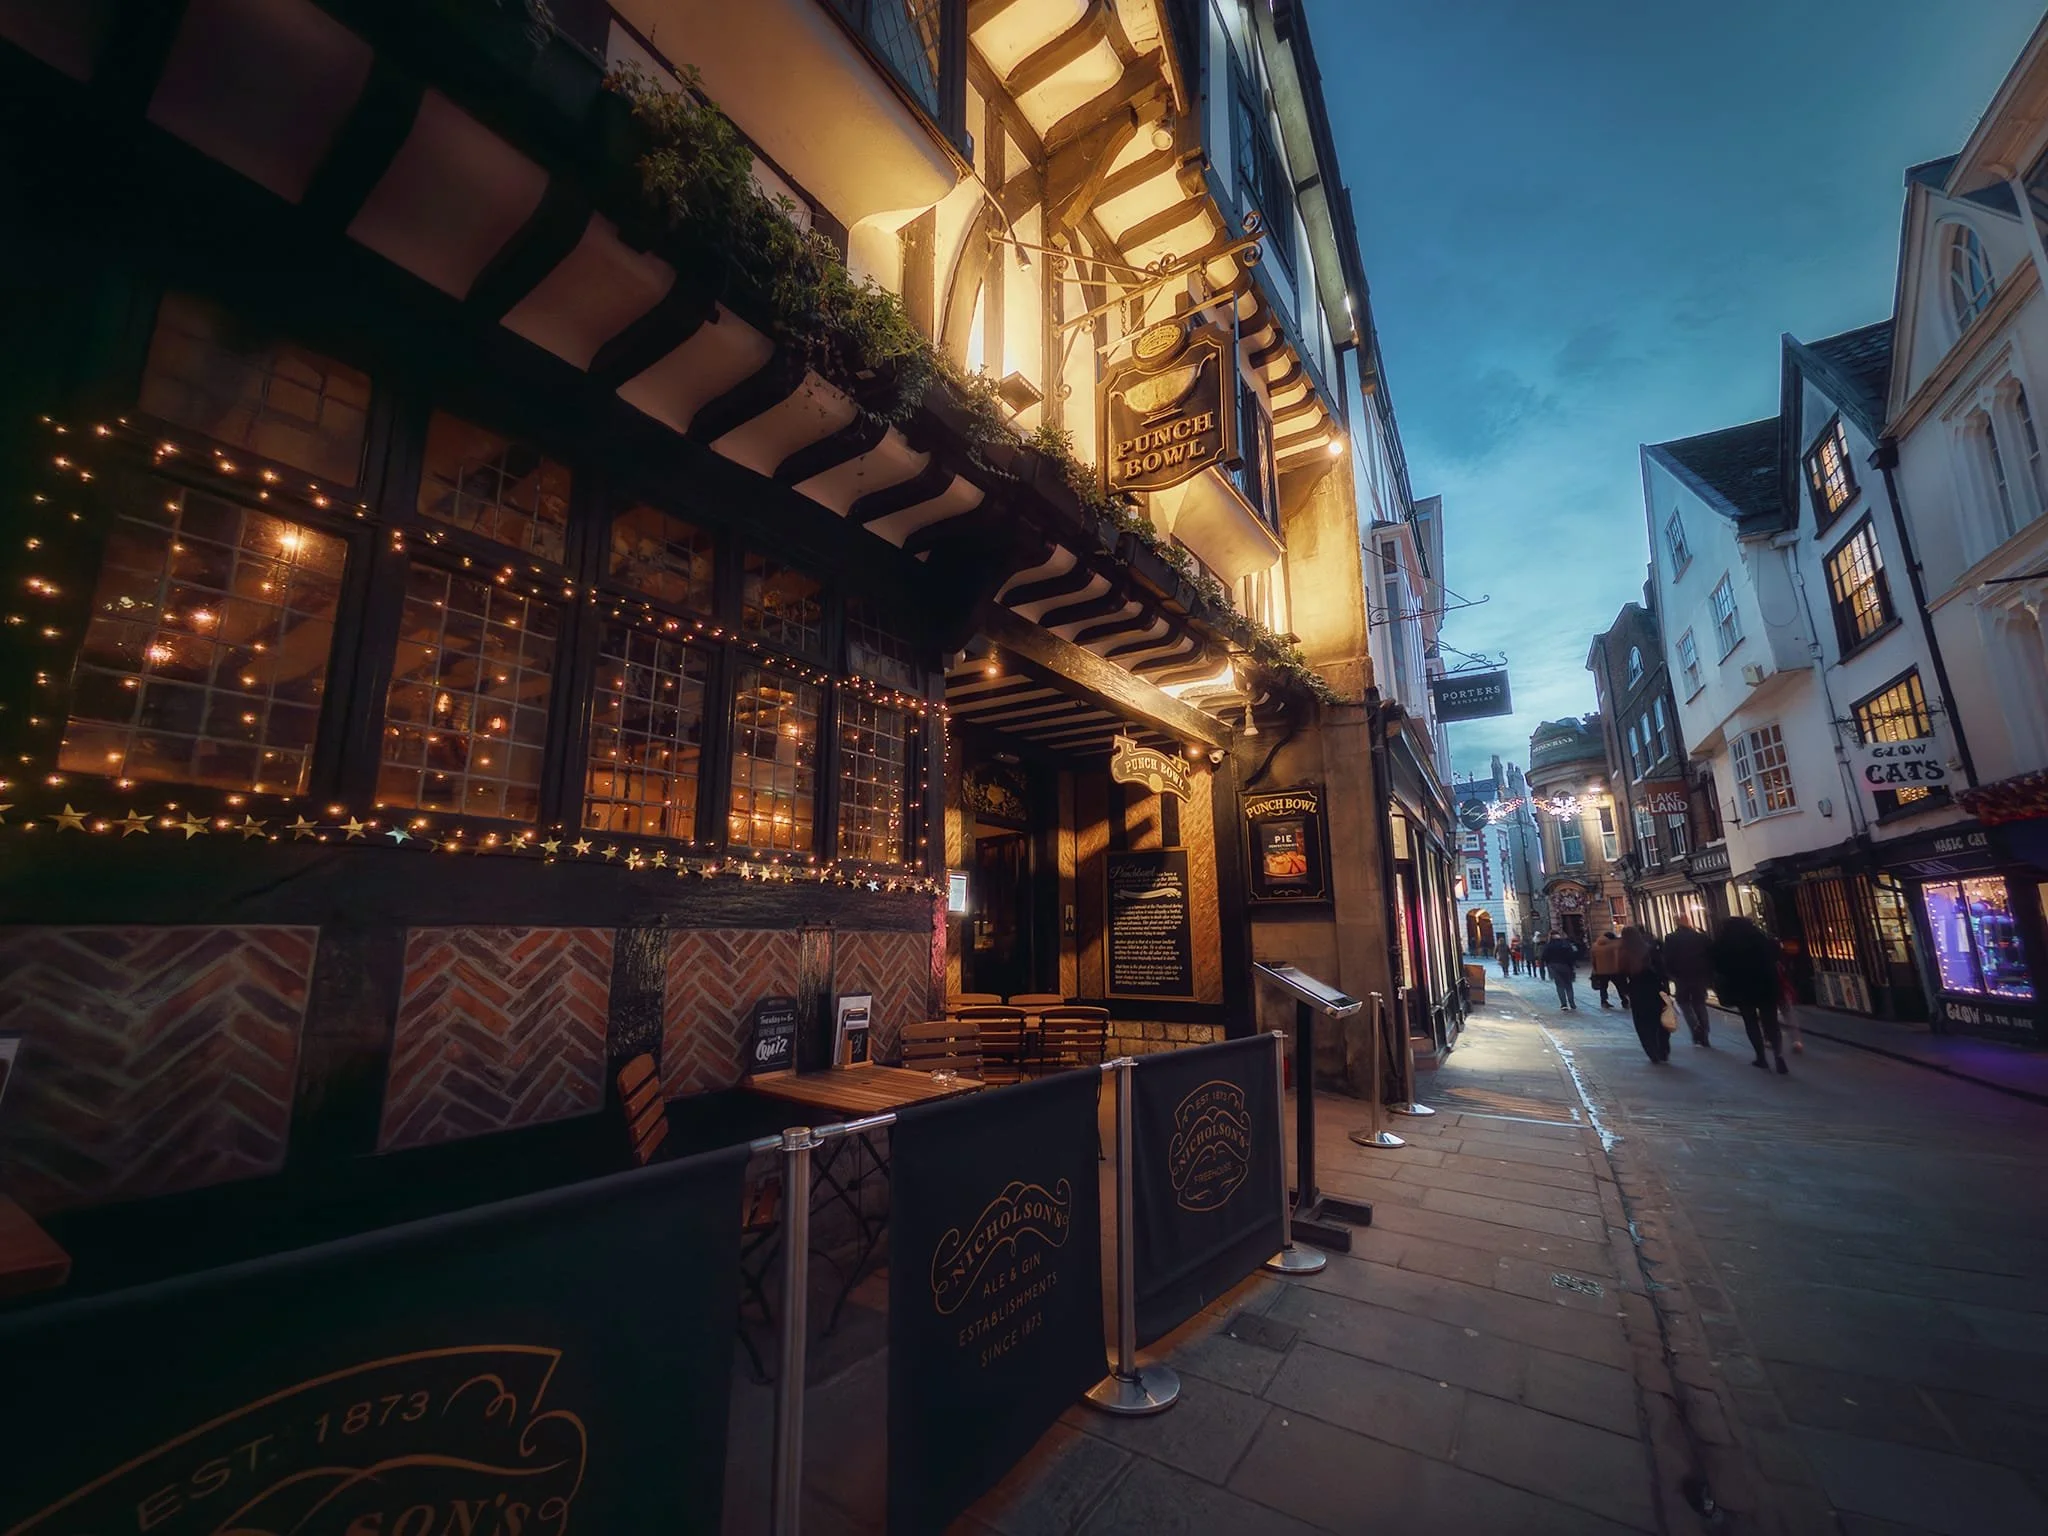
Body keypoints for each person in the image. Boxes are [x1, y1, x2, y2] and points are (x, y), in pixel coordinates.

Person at [1713, 917, 1788, 1074]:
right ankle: (1778, 1055)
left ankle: (1761, 1056)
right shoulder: (1761, 938)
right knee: (1771, 1022)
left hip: (1742, 988)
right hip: (1766, 985)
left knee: (1750, 1021)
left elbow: (1718, 964)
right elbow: (1775, 955)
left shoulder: (1724, 942)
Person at [1620, 925, 1670, 1064]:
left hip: (1637, 990)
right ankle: (1663, 1049)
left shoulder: (1624, 953)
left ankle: (1651, 1050)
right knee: (1659, 1020)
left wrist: (1625, 991)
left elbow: (1621, 975)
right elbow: (1662, 970)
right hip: (1654, 988)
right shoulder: (1650, 949)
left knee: (1643, 1023)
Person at [1663, 917, 1714, 1047]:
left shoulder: (1671, 938)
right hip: (1699, 976)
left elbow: (1667, 958)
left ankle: (1695, 1028)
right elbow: (1710, 954)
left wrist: (1671, 975)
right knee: (1700, 1003)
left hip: (1681, 976)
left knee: (1684, 1003)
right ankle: (1705, 1032)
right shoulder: (1700, 937)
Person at [1589, 930, 1628, 1009]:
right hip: (1615, 970)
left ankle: (1604, 1002)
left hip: (1601, 971)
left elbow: (1593, 960)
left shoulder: (1595, 946)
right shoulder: (1615, 946)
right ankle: (1625, 1001)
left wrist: (1596, 969)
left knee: (1603, 987)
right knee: (1620, 986)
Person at [1541, 931, 1580, 1009]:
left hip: (1554, 967)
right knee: (1568, 985)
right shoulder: (1565, 944)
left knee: (1559, 986)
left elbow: (1544, 957)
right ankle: (1572, 1003)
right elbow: (1572, 955)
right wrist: (1571, 965)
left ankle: (1564, 1004)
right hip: (1566, 966)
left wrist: (1549, 963)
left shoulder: (1549, 946)